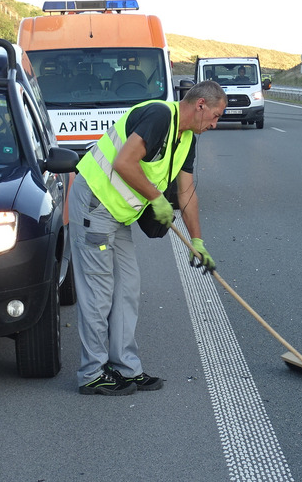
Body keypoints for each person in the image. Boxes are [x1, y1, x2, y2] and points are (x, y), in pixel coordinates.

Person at [70, 80, 226, 396]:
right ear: (200, 105)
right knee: (99, 292)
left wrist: (198, 242)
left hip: (119, 215)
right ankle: (91, 373)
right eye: (215, 116)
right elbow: (123, 162)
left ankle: (124, 367)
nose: (214, 123)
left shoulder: (186, 140)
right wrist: (156, 198)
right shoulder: (158, 116)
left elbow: (186, 193)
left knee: (127, 287)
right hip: (95, 205)